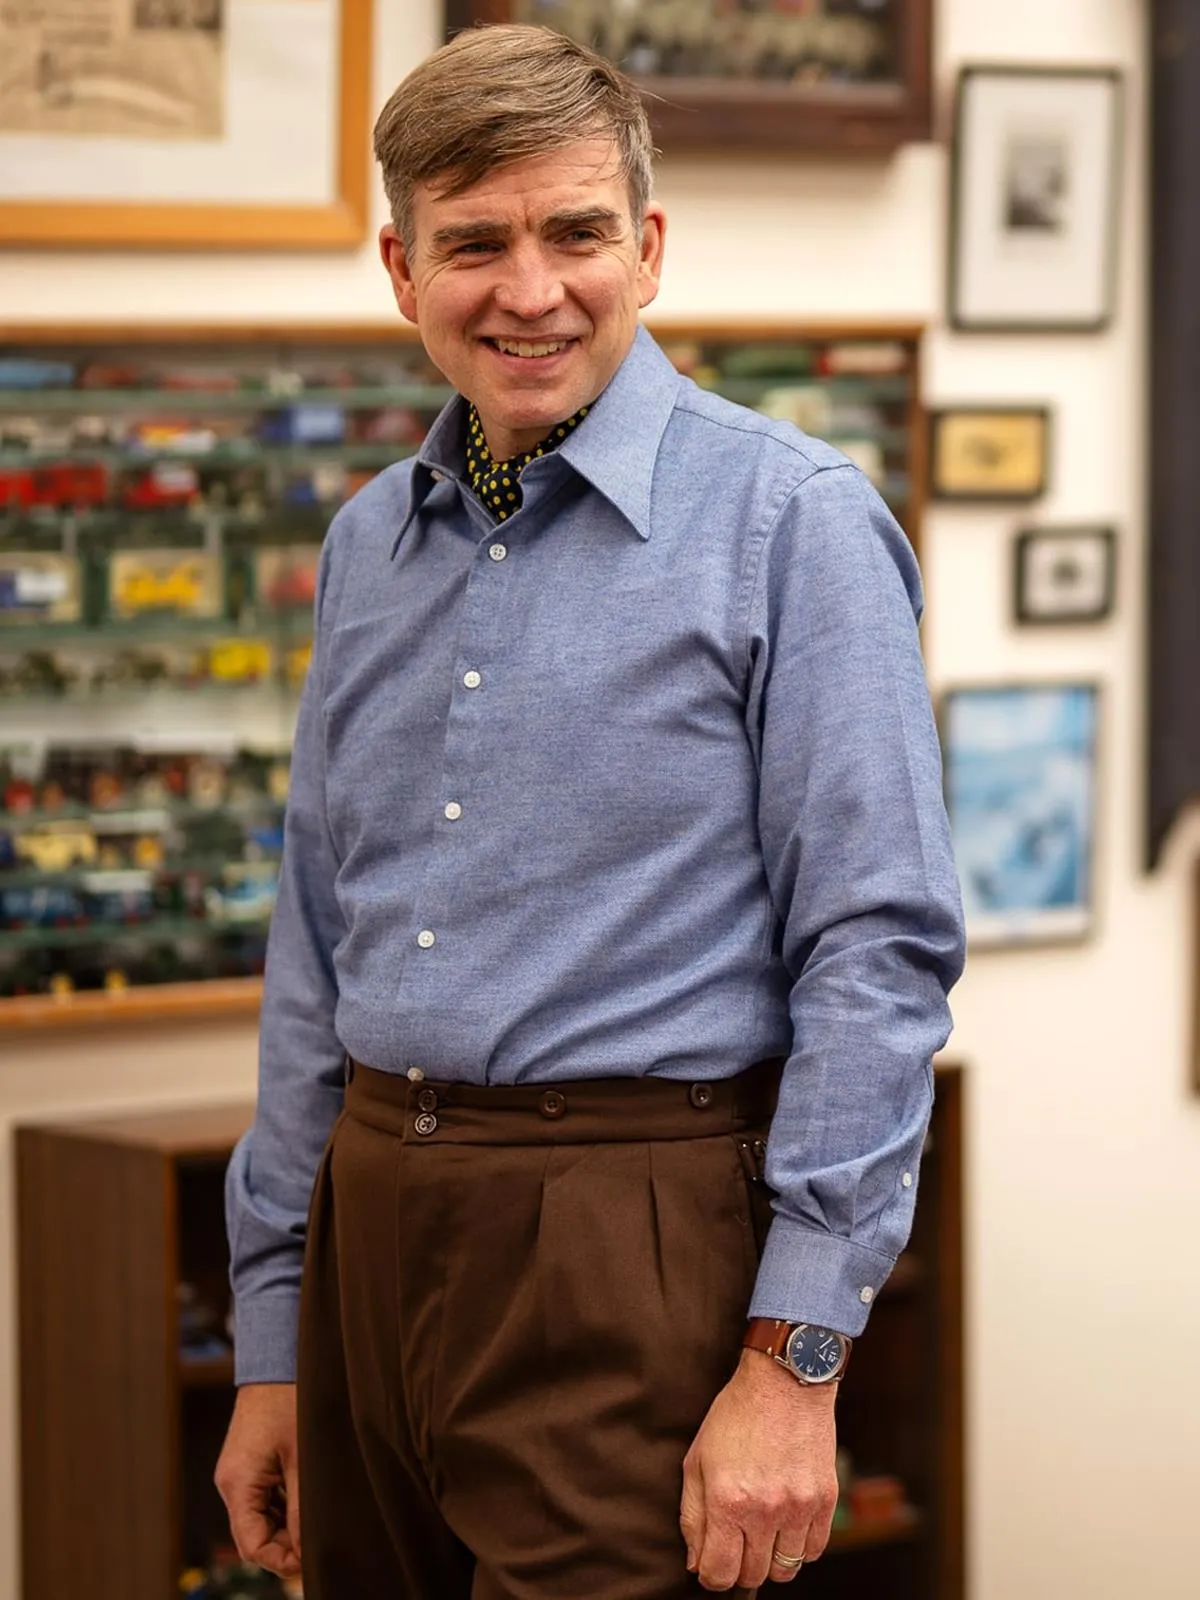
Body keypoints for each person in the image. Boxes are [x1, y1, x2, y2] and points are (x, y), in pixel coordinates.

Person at [215, 22, 965, 1600]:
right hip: (367, 1226)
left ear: (651, 246)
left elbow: (878, 954)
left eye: (576, 232)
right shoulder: (369, 543)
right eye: (474, 242)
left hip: (631, 1237)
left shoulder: (795, 525)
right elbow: (316, 941)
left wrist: (798, 1360)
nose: (531, 287)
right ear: (402, 271)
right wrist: (273, 1339)